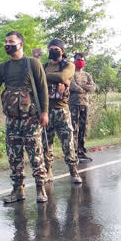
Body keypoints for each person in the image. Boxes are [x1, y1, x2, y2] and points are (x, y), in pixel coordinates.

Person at [0, 31, 50, 203]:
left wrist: (44, 112)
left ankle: (40, 189)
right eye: (6, 41)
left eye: (11, 41)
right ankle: (17, 190)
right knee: (14, 156)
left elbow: (43, 88)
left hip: (31, 118)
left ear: (20, 44)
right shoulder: (3, 68)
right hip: (12, 119)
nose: (8, 44)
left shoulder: (33, 63)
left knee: (35, 155)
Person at [43, 39, 82, 184]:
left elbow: (62, 77)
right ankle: (48, 171)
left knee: (68, 143)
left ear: (62, 51)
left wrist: (43, 76)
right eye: (51, 48)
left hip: (62, 110)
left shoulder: (68, 65)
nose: (53, 51)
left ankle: (74, 171)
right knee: (46, 143)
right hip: (46, 110)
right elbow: (34, 78)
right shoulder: (45, 65)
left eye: (56, 49)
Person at [69, 52, 96, 162]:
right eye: (78, 59)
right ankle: (74, 153)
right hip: (74, 104)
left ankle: (81, 151)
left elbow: (93, 88)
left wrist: (81, 86)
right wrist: (83, 88)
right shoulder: (71, 73)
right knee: (74, 129)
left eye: (82, 59)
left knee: (83, 128)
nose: (80, 61)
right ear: (74, 60)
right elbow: (72, 85)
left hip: (85, 104)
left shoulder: (87, 75)